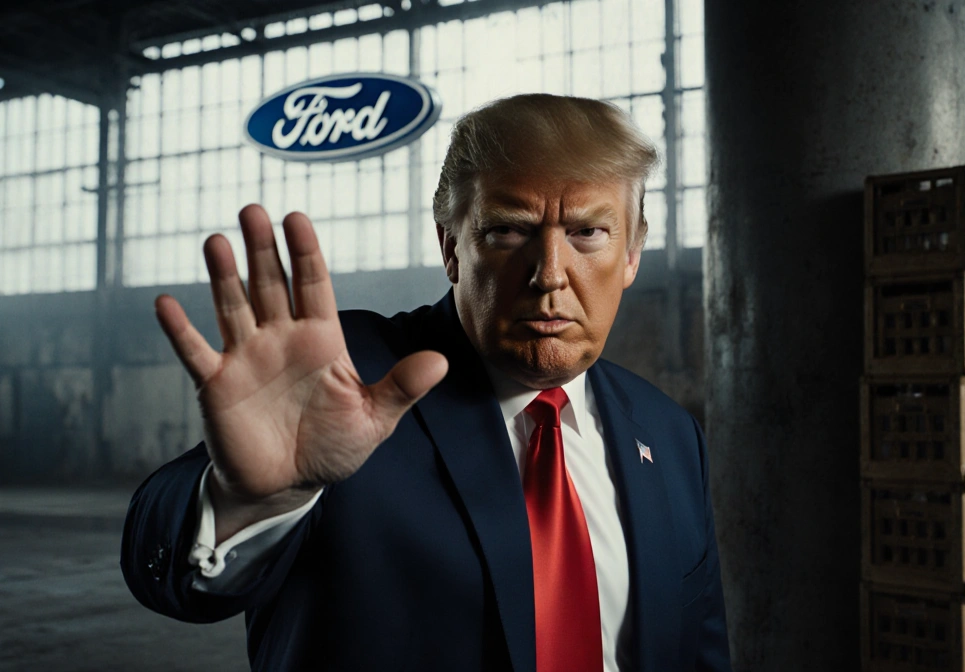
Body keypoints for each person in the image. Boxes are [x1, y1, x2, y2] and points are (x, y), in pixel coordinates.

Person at [120, 94, 731, 672]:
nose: (549, 275)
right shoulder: (345, 375)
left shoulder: (671, 436)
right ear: (451, 246)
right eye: (508, 230)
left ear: (632, 255)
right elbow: (172, 575)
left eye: (587, 233)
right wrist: (251, 500)